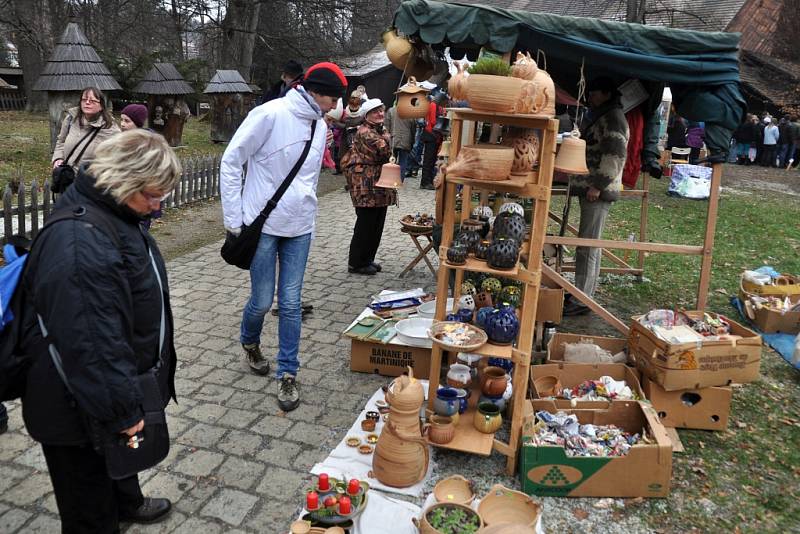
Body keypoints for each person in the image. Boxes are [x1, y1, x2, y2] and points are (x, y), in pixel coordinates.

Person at [20, 129, 180, 531]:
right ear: (122, 181)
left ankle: (127, 502)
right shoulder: (80, 242)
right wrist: (122, 410)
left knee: (117, 462)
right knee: (88, 511)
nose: (158, 206)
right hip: (75, 407)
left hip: (102, 390)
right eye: (152, 195)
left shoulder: (115, 213)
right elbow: (91, 342)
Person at [220, 62, 346, 411]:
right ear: (315, 92)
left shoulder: (320, 125)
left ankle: (288, 373)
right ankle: (249, 341)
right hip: (262, 226)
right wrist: (235, 218)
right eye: (333, 97)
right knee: (261, 301)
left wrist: (310, 219)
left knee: (290, 303)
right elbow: (231, 161)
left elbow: (307, 180)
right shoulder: (269, 114)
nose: (336, 104)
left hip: (299, 228)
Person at [563, 76, 629, 316]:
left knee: (589, 246)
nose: (589, 96)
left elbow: (615, 155)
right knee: (586, 244)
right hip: (593, 189)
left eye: (594, 92)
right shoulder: (605, 115)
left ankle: (583, 299)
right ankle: (581, 292)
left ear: (607, 94)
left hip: (598, 192)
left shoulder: (613, 119)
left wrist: (598, 185)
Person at [342, 98, 396, 275]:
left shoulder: (378, 130)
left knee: (376, 223)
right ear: (367, 115)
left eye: (381, 110)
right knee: (366, 224)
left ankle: (367, 259)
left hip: (377, 185)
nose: (380, 113)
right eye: (375, 112)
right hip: (365, 185)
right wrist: (387, 138)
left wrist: (386, 135)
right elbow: (384, 152)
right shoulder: (366, 132)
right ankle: (356, 262)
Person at [51, 86, 120, 173]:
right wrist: (58, 158)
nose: (87, 102)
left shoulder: (109, 129)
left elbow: (117, 158)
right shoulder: (71, 119)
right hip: (67, 176)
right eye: (84, 99)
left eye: (92, 101)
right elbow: (61, 141)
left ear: (101, 106)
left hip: (89, 181)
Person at [420, 91, 446, 190]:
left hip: (433, 135)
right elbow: (433, 121)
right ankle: (425, 182)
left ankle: (428, 181)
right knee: (428, 160)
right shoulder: (433, 105)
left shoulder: (434, 105)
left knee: (430, 160)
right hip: (431, 135)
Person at [384, 101, 416, 180]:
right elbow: (413, 129)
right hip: (406, 139)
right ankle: (400, 180)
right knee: (403, 161)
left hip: (393, 138)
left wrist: (387, 137)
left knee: (391, 159)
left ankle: (390, 179)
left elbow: (386, 126)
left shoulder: (391, 111)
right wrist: (412, 140)